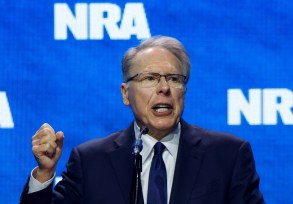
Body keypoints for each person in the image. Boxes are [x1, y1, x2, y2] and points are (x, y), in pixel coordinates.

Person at [20, 36, 265, 204]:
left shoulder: (228, 156)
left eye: (174, 78)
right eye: (150, 78)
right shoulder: (91, 161)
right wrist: (45, 173)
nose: (164, 88)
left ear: (184, 90)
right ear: (126, 94)